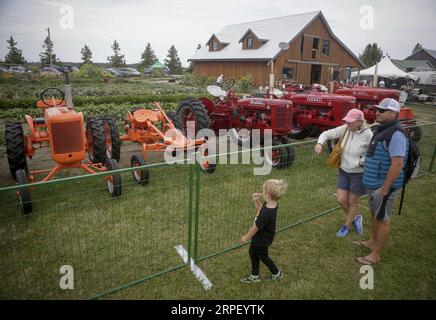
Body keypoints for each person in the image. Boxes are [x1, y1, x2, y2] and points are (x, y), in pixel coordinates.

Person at [356, 98, 408, 265]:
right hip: (374, 184)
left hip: (384, 187)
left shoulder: (396, 134)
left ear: (393, 113)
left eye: (382, 110)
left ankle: (375, 254)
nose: (377, 112)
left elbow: (398, 163)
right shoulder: (383, 129)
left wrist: (385, 188)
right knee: (375, 214)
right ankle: (372, 241)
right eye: (377, 109)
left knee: (383, 218)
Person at [314, 109, 373, 237]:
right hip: (343, 170)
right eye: (347, 121)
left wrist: (362, 161)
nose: (348, 123)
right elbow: (326, 134)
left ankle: (346, 226)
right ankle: (356, 218)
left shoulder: (368, 134)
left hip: (359, 173)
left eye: (351, 122)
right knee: (341, 199)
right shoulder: (345, 129)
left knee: (352, 202)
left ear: (360, 122)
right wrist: (319, 143)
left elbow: (372, 153)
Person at [240, 179, 288, 283]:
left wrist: (246, 237)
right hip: (264, 237)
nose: (261, 192)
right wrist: (256, 201)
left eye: (263, 190)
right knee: (253, 253)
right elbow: (260, 210)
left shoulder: (265, 214)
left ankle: (276, 273)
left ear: (266, 194)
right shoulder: (272, 204)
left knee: (263, 256)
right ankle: (255, 275)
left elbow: (255, 228)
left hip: (261, 239)